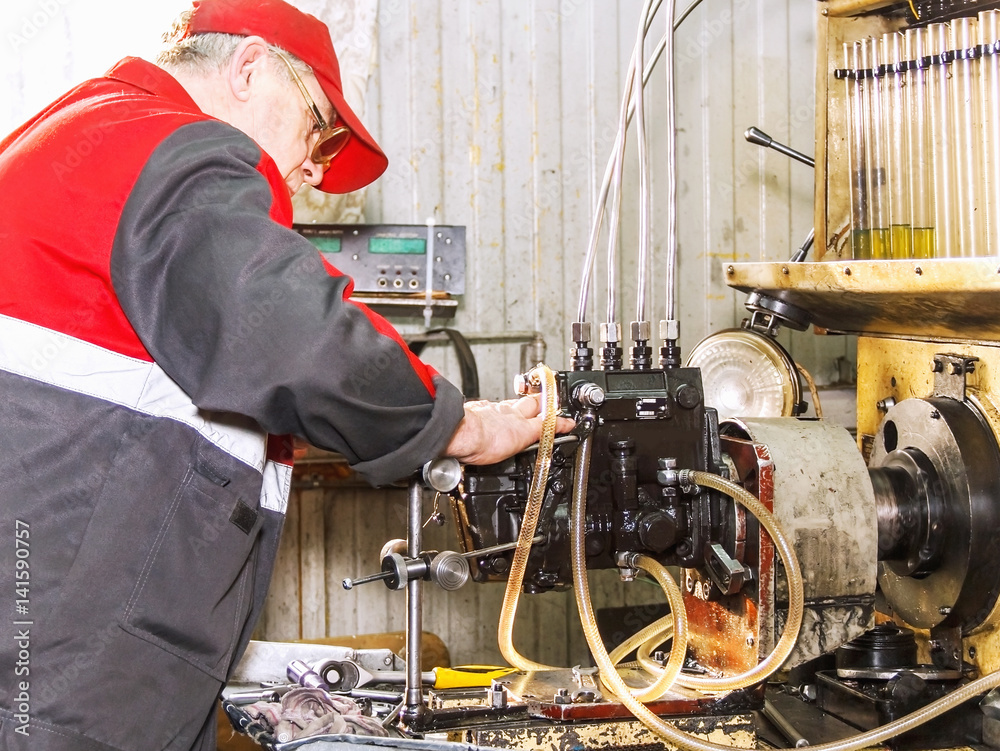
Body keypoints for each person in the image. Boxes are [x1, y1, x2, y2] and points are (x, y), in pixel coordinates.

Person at [0, 1, 572, 749]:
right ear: (248, 69)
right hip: (69, 678)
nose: (315, 167)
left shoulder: (75, 134)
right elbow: (294, 334)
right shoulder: (172, 148)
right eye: (320, 128)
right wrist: (464, 425)